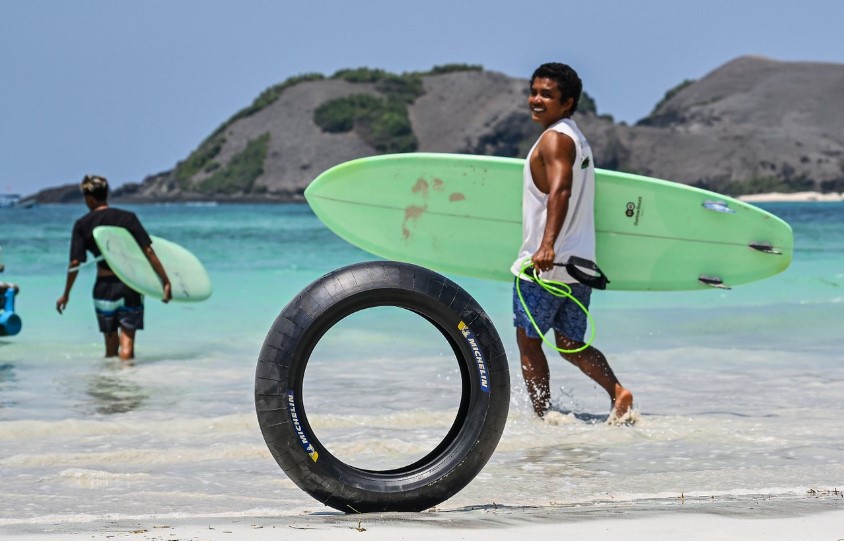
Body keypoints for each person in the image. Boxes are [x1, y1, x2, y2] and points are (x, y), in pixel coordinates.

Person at [511, 63, 633, 421]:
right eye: (534, 91)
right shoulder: (576, 138)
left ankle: (542, 415)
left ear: (567, 103)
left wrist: (546, 245)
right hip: (579, 265)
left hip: (546, 265)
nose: (536, 99)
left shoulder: (553, 139)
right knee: (569, 344)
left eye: (546, 94)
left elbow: (560, 191)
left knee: (528, 340)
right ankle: (618, 393)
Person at [56, 175, 172, 361]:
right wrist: (165, 281)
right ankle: (127, 382)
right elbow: (148, 251)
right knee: (127, 345)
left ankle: (112, 384)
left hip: (104, 288)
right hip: (130, 285)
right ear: (106, 194)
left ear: (89, 198)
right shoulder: (128, 218)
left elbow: (75, 263)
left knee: (110, 347)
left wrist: (66, 294)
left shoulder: (82, 224)